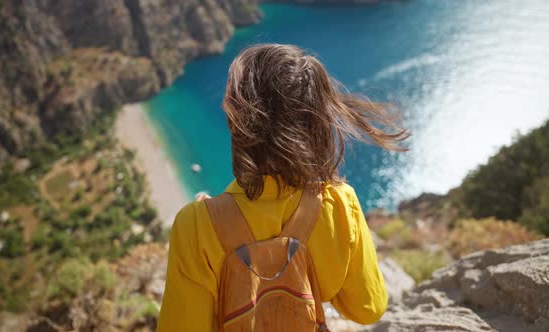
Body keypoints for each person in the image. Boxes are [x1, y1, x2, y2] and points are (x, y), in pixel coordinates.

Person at [157, 44, 409, 331]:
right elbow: (368, 308)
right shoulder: (339, 203)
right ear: (319, 119)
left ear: (239, 121)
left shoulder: (196, 225)